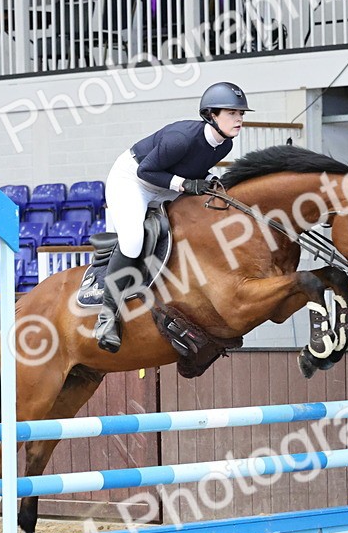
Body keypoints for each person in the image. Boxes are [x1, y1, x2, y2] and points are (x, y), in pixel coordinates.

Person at [91, 81, 251, 353]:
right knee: (132, 240)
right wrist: (186, 185)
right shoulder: (182, 137)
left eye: (241, 114)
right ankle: (107, 315)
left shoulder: (225, 145)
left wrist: (208, 180)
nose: (238, 119)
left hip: (164, 185)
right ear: (211, 115)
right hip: (133, 181)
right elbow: (146, 172)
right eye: (231, 113)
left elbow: (195, 170)